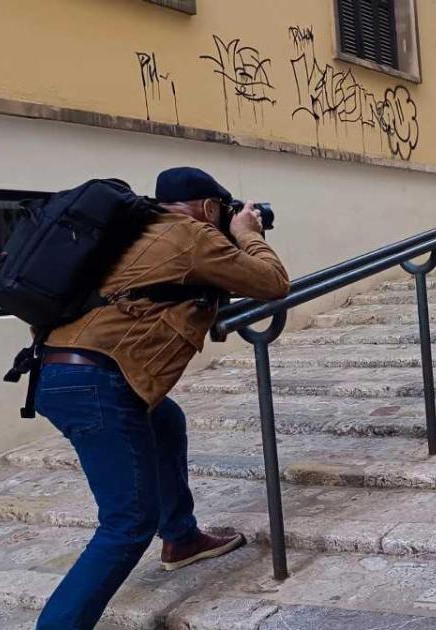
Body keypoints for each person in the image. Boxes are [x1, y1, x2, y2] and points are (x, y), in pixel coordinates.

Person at [33, 167, 290, 629]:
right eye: (224, 209)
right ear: (209, 207)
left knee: (165, 421)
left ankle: (181, 538)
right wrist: (247, 233)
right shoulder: (190, 234)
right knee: (127, 524)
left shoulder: (138, 231)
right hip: (99, 384)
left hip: (62, 370)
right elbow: (273, 282)